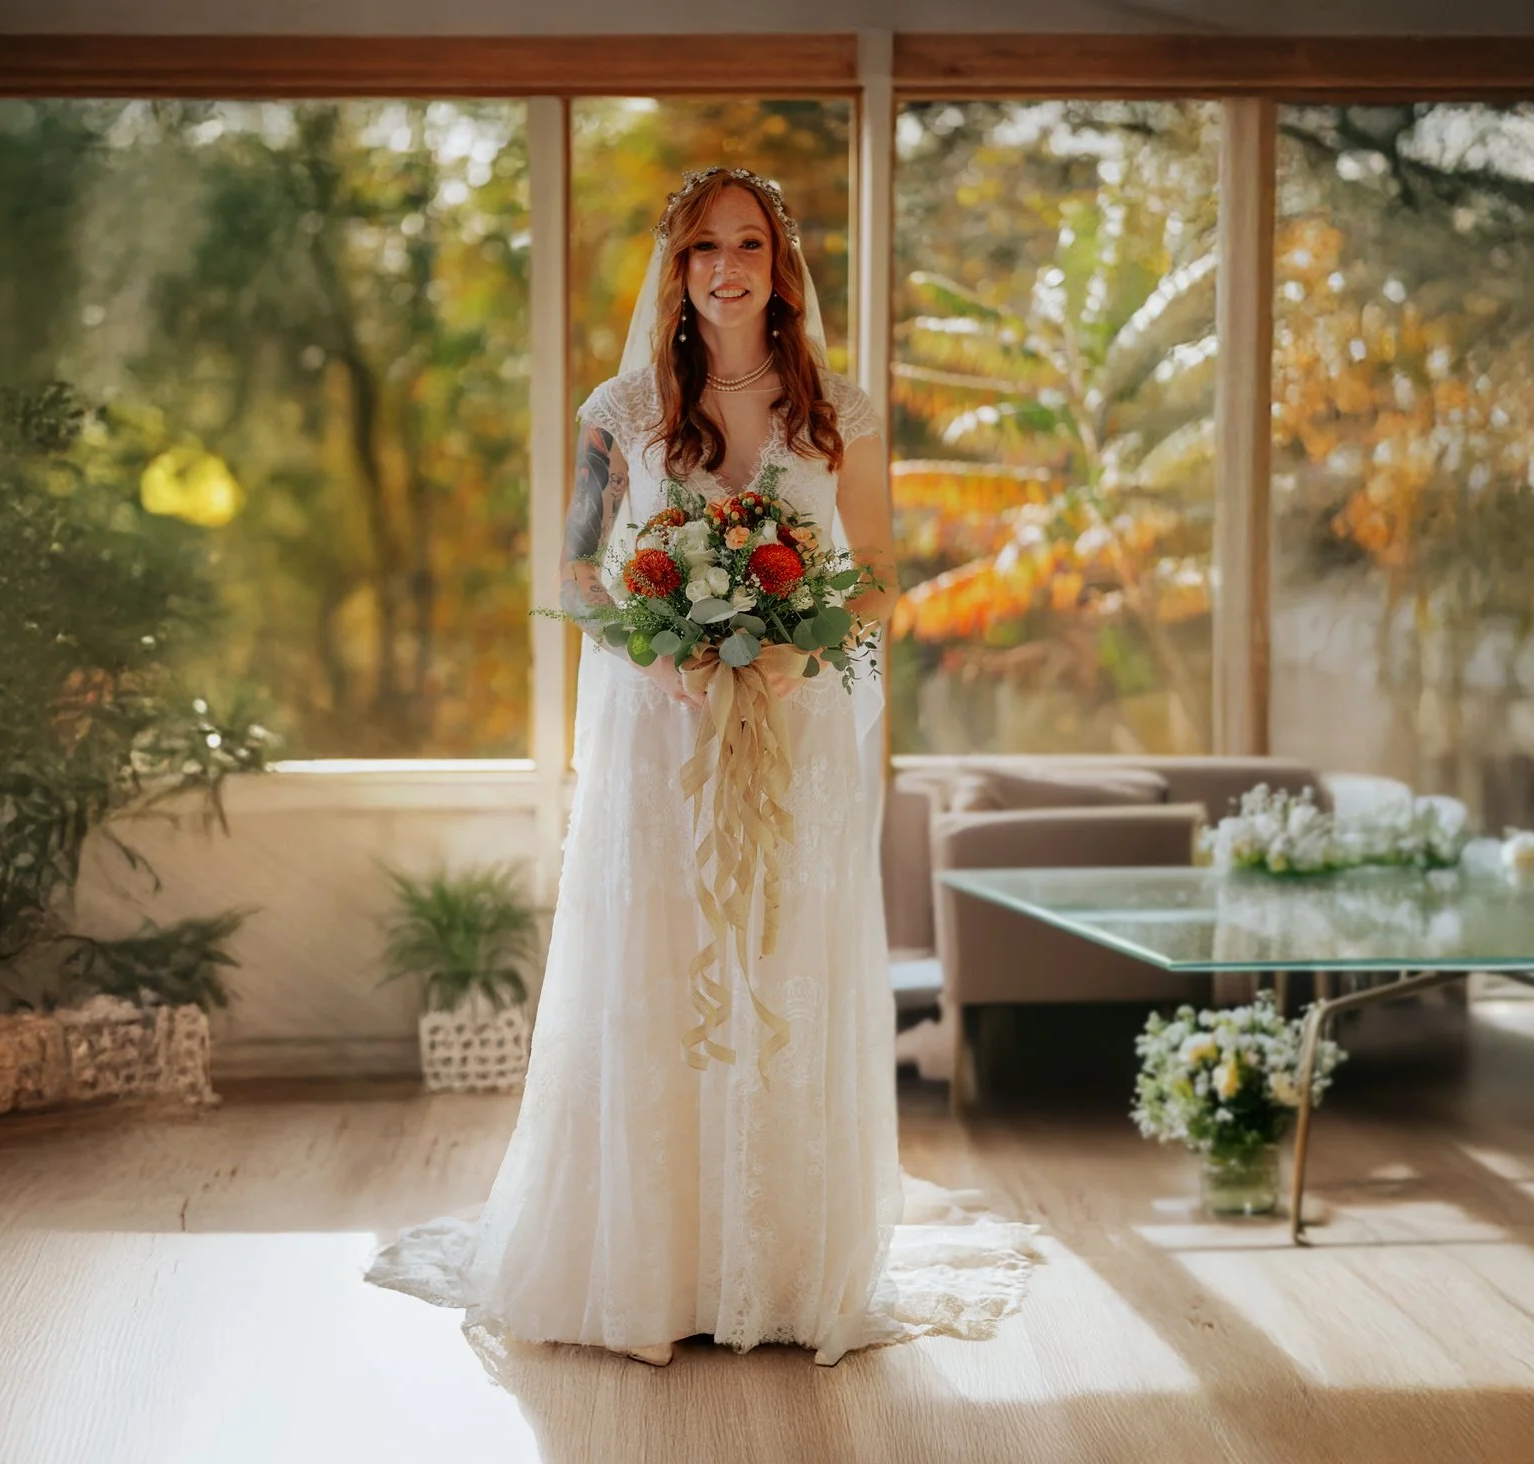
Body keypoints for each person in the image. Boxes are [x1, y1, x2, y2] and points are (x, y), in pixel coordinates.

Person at [367, 166, 1035, 1368]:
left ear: (781, 265)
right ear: (674, 269)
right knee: (659, 956)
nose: (727, 268)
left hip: (797, 726)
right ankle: (651, 1259)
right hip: (656, 728)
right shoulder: (617, 411)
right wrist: (665, 659)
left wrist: (792, 656)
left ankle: (779, 1265)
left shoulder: (843, 410)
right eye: (702, 248)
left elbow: (874, 569)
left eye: (750, 245)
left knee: (783, 951)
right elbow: (580, 573)